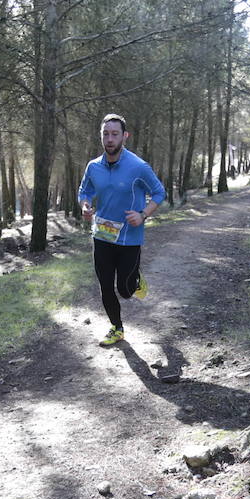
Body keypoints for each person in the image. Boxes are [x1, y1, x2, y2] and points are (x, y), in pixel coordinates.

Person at [78, 113, 165, 347]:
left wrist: (144, 214)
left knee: (124, 290)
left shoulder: (138, 167)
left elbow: (159, 192)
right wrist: (85, 205)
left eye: (115, 134)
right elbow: (84, 191)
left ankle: (135, 281)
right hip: (103, 235)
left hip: (129, 237)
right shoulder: (93, 166)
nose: (109, 139)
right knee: (105, 286)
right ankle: (117, 328)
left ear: (124, 136)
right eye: (106, 134)